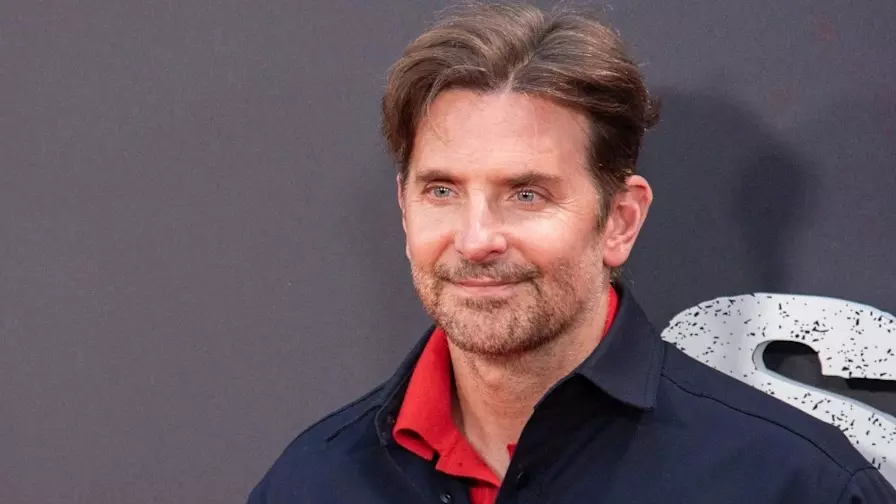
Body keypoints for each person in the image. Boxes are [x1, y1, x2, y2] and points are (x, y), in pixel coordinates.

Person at [247, 3, 896, 503]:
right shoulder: (312, 483)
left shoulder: (792, 483)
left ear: (620, 220)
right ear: (405, 206)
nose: (476, 239)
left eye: (526, 194)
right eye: (442, 191)